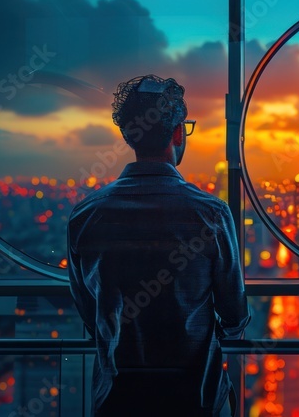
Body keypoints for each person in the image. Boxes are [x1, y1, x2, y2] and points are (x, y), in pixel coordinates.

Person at [68, 75, 250, 416]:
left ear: (127, 135)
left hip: (117, 398)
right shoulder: (210, 213)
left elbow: (89, 311)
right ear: (178, 132)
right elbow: (234, 314)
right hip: (194, 396)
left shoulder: (86, 215)